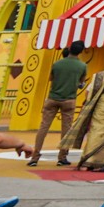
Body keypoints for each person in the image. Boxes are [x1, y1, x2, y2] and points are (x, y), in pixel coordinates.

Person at [31, 39, 88, 167]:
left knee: (43, 127)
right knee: (66, 130)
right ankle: (62, 157)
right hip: (69, 99)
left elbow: (51, 78)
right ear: (81, 51)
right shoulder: (82, 66)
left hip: (53, 98)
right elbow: (81, 83)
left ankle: (35, 156)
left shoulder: (57, 64)